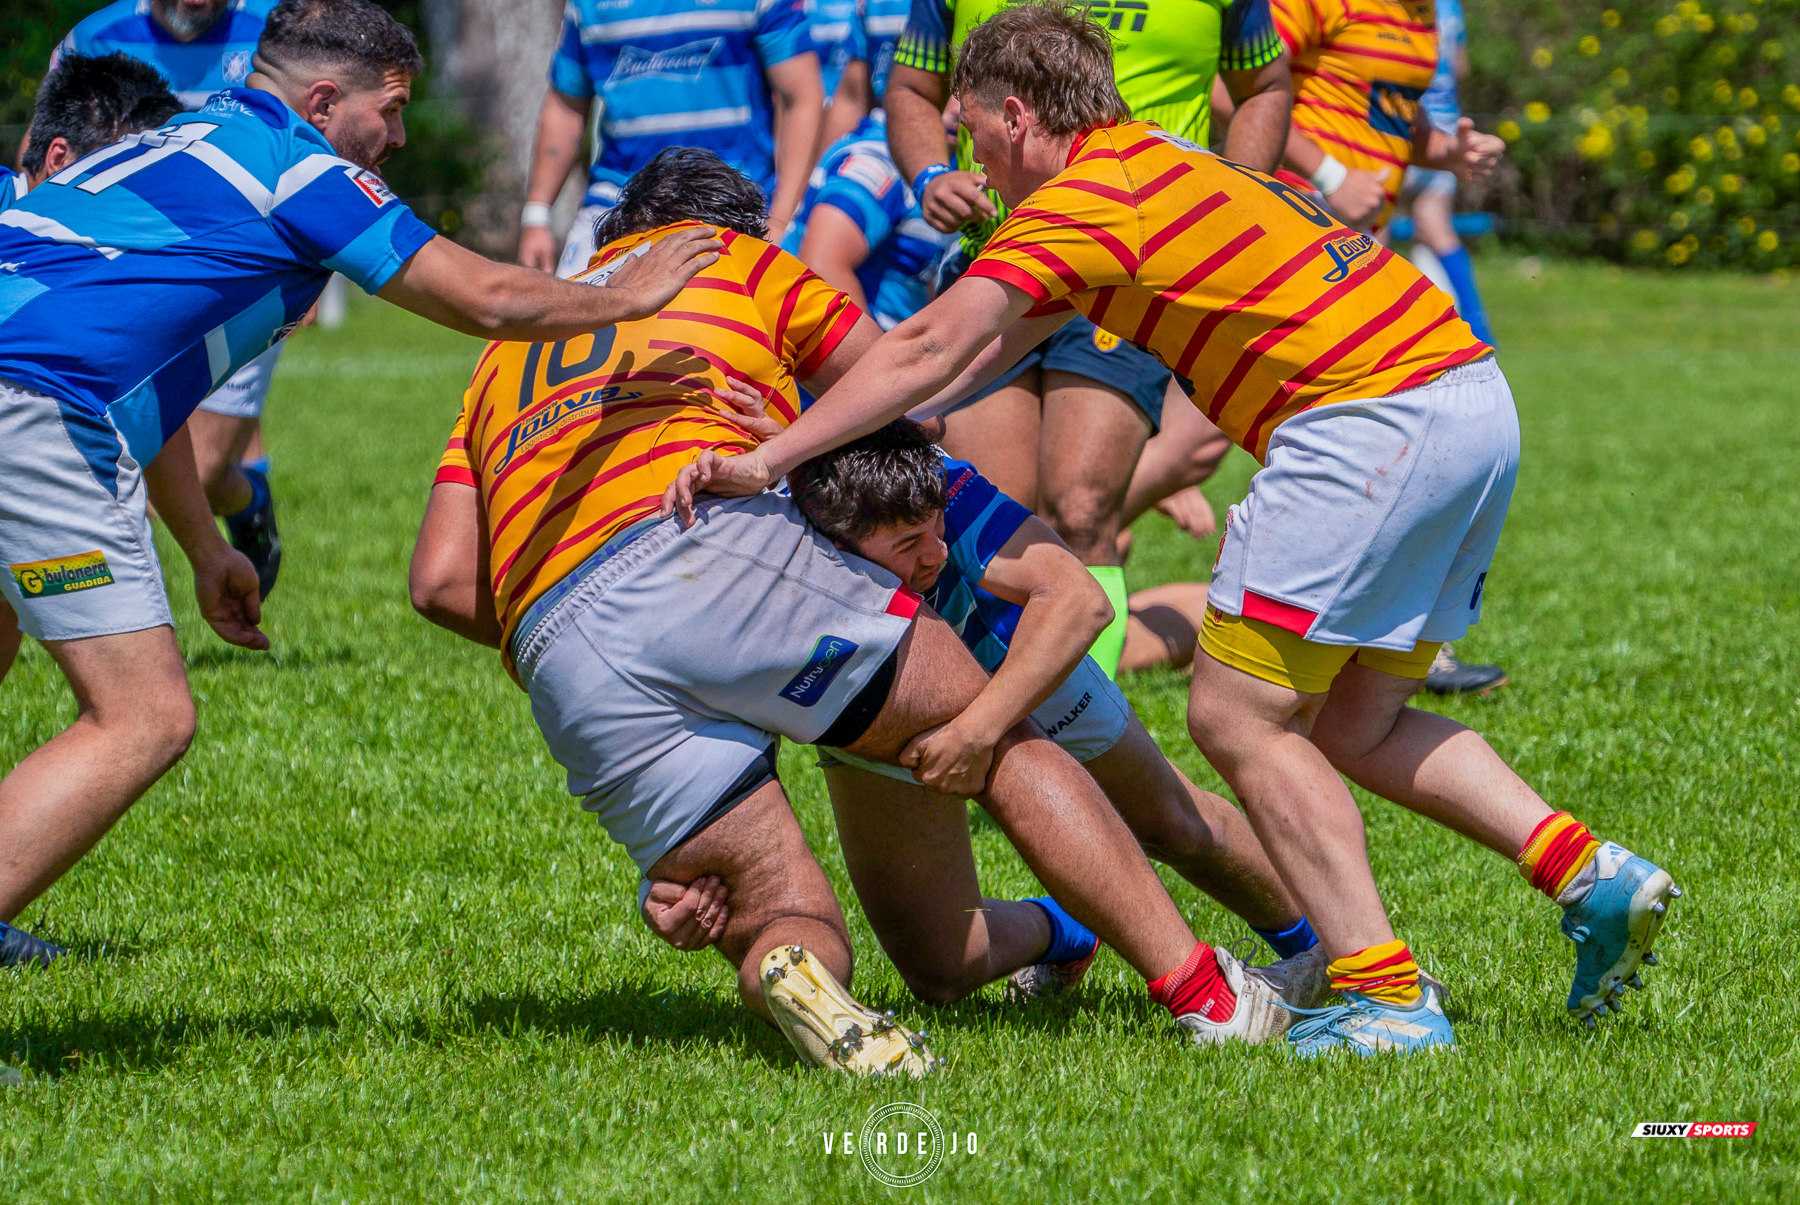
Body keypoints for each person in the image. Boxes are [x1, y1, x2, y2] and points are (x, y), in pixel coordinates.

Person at [663, 2, 1681, 1055]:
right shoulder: (1161, 166)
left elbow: (931, 339)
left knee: (1238, 718)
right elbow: (975, 361)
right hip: (1469, 396)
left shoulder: (1077, 199)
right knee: (1355, 726)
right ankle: (1589, 875)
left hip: (1364, 416)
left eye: (971, 136)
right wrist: (840, 419)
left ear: (1015, 116)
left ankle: (1387, 999)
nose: (977, 169)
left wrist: (768, 460)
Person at [411, 146, 1325, 1073]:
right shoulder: (736, 267)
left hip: (562, 641)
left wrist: (625, 636)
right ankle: (1196, 991)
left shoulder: (509, 355)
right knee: (940, 944)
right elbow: (901, 380)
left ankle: (1306, 946)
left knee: (791, 902)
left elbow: (442, 582)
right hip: (715, 555)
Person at [0, 0, 719, 993]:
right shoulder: (303, 168)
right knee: (143, 717)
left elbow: (136, 371)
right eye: (391, 111)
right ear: (327, 100)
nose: (402, 137)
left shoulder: (193, 123)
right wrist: (628, 297)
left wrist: (208, 549)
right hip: (33, 402)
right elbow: (486, 298)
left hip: (31, 375)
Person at [644, 420, 1326, 1009]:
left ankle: (1328, 952)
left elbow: (1079, 601)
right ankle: (1069, 930)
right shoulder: (786, 525)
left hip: (1015, 653)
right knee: (941, 968)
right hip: (878, 691)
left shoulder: (943, 489)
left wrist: (976, 729)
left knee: (1170, 820)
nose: (936, 554)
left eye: (933, 529)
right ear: (833, 538)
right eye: (907, 544)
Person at [882, 0, 1293, 679]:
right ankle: (1005, 714)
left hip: (1129, 272)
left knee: (1082, 505)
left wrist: (1223, 198)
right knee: (990, 515)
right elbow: (910, 87)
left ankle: (1094, 728)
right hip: (998, 262)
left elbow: (1267, 87)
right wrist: (930, 175)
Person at [56, 0, 291, 599]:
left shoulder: (277, 31)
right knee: (134, 458)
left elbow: (309, 150)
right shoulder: (95, 36)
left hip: (240, 271)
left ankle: (246, 500)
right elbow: (48, 142)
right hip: (126, 276)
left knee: (203, 472)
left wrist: (315, 267)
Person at [0, 53, 186, 696]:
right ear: (58, 161)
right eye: (126, 175)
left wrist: (208, 551)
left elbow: (143, 394)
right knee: (145, 714)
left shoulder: (102, 259)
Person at [516, 0, 824, 278]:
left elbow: (801, 98)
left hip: (729, 207)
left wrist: (781, 217)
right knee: (566, 329)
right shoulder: (587, 5)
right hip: (615, 205)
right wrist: (537, 214)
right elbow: (567, 105)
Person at [783, 0, 958, 330]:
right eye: (952, 83)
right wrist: (886, 373)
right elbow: (822, 264)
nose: (958, 105)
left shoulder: (952, 158)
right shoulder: (878, 161)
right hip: (854, 363)